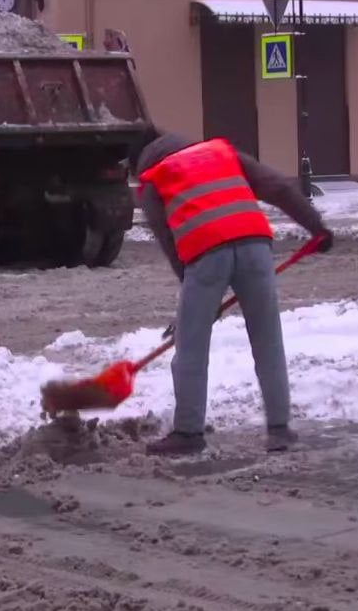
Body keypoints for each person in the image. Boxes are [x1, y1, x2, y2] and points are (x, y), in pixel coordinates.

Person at [133, 131, 333, 456]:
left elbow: (169, 240)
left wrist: (196, 292)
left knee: (191, 346)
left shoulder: (153, 179)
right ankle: (280, 429)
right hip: (256, 245)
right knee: (268, 339)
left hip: (205, 253)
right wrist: (316, 227)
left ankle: (188, 432)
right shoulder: (221, 152)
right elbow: (279, 187)